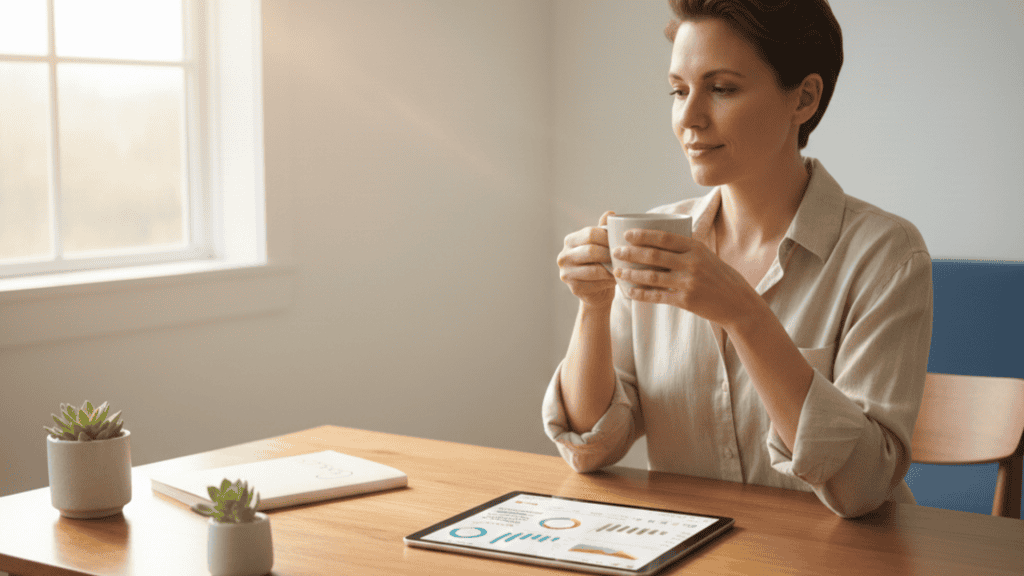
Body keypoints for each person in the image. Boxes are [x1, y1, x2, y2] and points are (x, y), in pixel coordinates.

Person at [545, 0, 932, 519]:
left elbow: (863, 486)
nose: (688, 117)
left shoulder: (887, 257)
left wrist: (743, 314)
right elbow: (589, 449)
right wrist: (592, 307)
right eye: (678, 90)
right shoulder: (655, 241)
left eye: (722, 88)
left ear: (805, 98)